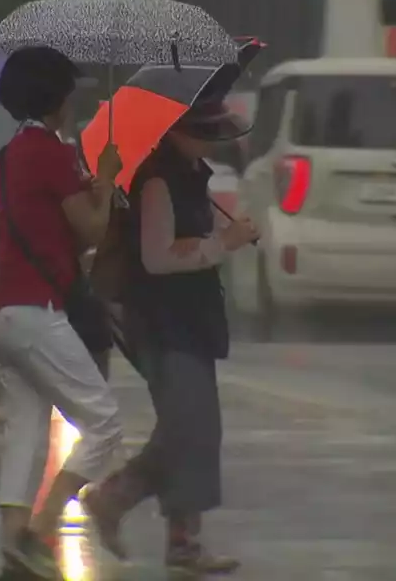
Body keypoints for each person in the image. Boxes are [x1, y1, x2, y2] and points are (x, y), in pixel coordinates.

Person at [81, 83, 259, 575]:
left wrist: (223, 237)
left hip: (190, 317)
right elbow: (157, 259)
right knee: (189, 426)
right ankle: (117, 499)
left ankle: (176, 536)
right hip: (161, 320)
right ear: (174, 133)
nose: (208, 142)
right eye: (200, 133)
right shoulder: (158, 182)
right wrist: (224, 242)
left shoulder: (188, 176)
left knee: (192, 427)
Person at [0, 46, 125, 580]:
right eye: (70, 91)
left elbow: (47, 224)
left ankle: (11, 553)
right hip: (38, 313)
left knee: (26, 434)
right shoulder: (51, 151)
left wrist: (87, 188)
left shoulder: (11, 152)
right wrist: (108, 178)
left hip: (5, 315)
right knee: (105, 424)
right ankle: (40, 533)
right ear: (56, 98)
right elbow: (91, 230)